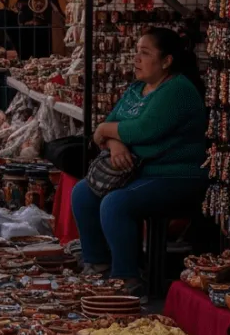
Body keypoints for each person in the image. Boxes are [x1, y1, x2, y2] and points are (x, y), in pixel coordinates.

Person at [72, 27, 208, 296]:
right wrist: (114, 141)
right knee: (82, 193)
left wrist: (105, 131)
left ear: (166, 61)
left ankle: (126, 278)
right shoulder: (137, 89)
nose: (136, 59)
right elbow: (114, 124)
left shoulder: (178, 89)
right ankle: (97, 264)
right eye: (137, 52)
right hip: (137, 173)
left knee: (116, 203)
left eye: (145, 53)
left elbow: (144, 129)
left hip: (175, 176)